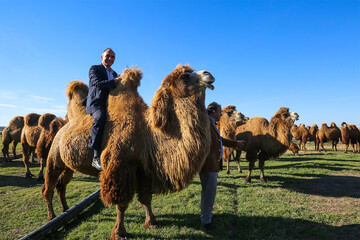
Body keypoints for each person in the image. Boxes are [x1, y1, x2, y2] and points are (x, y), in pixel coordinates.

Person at [200, 102, 245, 231]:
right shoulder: (206, 123)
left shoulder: (211, 123)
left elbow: (219, 140)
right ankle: (206, 221)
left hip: (211, 164)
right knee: (209, 193)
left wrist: (235, 143)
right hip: (208, 165)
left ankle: (206, 216)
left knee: (207, 193)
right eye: (220, 112)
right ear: (213, 112)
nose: (221, 114)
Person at [85, 48, 121, 171]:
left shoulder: (115, 74)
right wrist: (115, 81)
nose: (110, 59)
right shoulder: (94, 69)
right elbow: (98, 83)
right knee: (100, 118)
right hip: (97, 103)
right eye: (108, 56)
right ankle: (95, 157)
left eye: (112, 57)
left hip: (111, 104)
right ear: (102, 57)